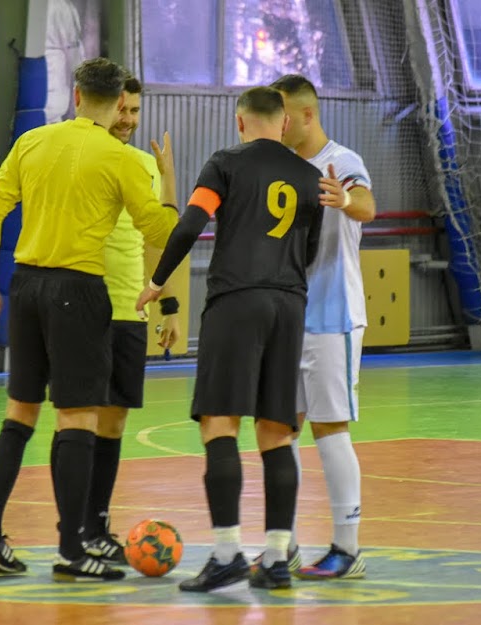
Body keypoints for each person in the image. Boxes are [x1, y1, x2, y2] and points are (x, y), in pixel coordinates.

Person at [0, 57, 178, 583]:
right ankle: (72, 549)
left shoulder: (34, 141)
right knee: (79, 417)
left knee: (20, 412)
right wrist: (181, 202)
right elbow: (157, 227)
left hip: (27, 284)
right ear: (116, 104)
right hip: (80, 290)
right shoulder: (121, 158)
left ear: (78, 94)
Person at [137, 86, 324, 592]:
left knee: (220, 426)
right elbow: (307, 252)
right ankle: (278, 559)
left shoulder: (224, 163)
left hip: (236, 302)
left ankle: (226, 555)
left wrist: (158, 281)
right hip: (289, 305)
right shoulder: (310, 176)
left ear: (240, 123)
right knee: (276, 432)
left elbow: (190, 224)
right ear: (284, 124)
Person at [270, 73, 376, 580]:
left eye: (285, 115)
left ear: (308, 115)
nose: (279, 123)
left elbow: (367, 206)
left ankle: (347, 548)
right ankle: (282, 543)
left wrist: (344, 200)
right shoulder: (277, 167)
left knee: (329, 427)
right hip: (286, 316)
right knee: (279, 426)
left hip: (331, 317)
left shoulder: (342, 160)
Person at [76, 75, 183, 565]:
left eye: (135, 111)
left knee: (114, 422)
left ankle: (96, 525)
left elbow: (160, 242)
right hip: (78, 307)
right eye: (122, 109)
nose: (128, 120)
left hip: (128, 310)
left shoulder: (144, 165)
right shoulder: (74, 153)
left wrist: (170, 308)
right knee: (77, 420)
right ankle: (71, 529)